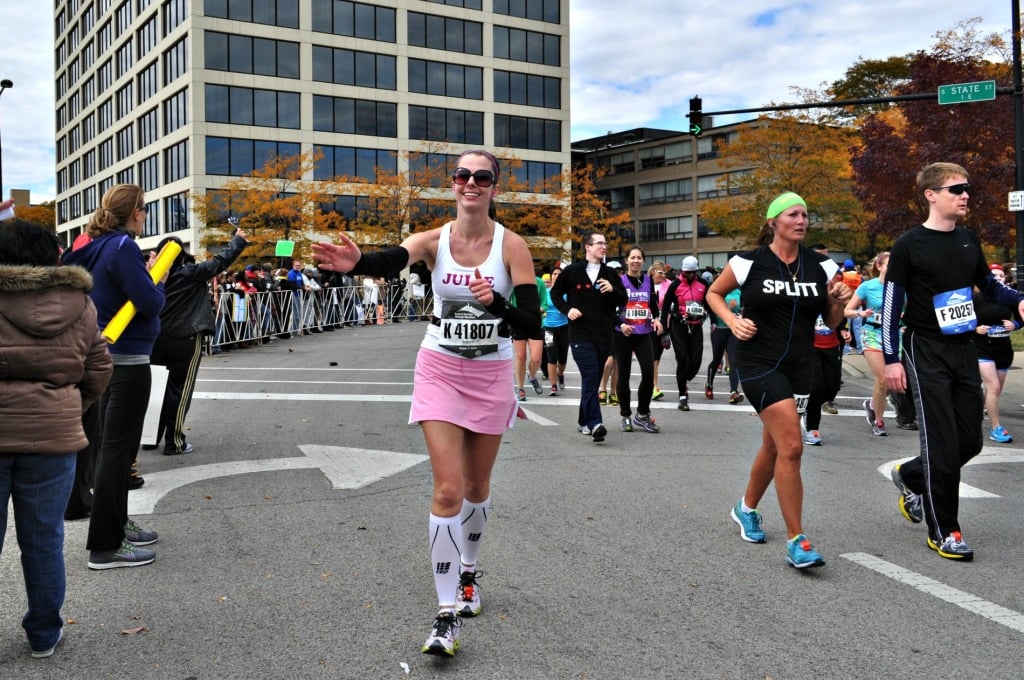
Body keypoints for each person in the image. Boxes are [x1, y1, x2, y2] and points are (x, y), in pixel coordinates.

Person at [312, 149, 541, 657]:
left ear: (494, 187)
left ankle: (468, 575)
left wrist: (495, 303)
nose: (470, 184)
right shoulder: (434, 240)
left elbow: (532, 325)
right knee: (448, 490)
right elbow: (391, 258)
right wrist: (357, 265)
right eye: (462, 176)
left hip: (490, 373)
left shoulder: (513, 247)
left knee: (478, 486)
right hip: (439, 367)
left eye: (482, 177)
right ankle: (444, 616)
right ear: (453, 185)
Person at [883, 162, 1024, 561]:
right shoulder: (910, 244)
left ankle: (911, 475)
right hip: (924, 348)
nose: (965, 195)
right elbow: (892, 304)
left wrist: (1018, 300)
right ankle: (945, 530)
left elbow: (990, 285)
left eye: (966, 189)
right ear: (931, 195)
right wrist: (892, 359)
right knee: (942, 443)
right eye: (956, 189)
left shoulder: (966, 239)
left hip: (963, 347)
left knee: (970, 440)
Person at [707, 192, 850, 569]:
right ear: (773, 222)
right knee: (792, 445)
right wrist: (733, 320)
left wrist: (837, 301)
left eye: (806, 214)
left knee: (773, 445)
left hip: (801, 365)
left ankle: (746, 507)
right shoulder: (747, 262)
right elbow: (714, 293)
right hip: (757, 362)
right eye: (793, 214)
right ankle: (797, 540)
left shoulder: (822, 267)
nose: (802, 220)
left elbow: (833, 323)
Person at [0, 220, 112, 658]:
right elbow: (99, 367)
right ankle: (44, 634)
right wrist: (67, 407)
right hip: (53, 438)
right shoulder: (79, 304)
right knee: (44, 539)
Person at [63, 183, 166, 570]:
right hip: (127, 360)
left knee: (111, 447)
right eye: (145, 209)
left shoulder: (93, 247)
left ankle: (117, 525)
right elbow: (150, 301)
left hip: (105, 356)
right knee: (116, 450)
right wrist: (161, 276)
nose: (146, 215)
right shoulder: (122, 248)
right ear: (136, 211)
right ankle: (106, 545)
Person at [148, 226, 250, 455]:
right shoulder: (190, 273)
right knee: (180, 389)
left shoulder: (151, 277)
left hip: (156, 336)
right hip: (186, 335)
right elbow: (220, 261)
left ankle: (149, 436)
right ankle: (174, 441)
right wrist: (238, 240)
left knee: (157, 388)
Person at [548, 233, 627, 443]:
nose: (604, 246)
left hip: (603, 334)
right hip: (580, 334)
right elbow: (555, 294)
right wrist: (568, 309)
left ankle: (583, 420)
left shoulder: (610, 273)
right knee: (591, 375)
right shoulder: (572, 271)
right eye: (600, 243)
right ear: (587, 247)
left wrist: (612, 290)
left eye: (605, 243)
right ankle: (595, 423)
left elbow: (623, 298)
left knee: (592, 377)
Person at [613, 245, 663, 433]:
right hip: (623, 333)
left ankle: (642, 414)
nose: (635, 261)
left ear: (643, 261)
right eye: (632, 258)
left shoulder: (649, 280)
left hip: (644, 333)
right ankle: (625, 415)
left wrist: (657, 319)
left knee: (648, 374)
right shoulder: (620, 281)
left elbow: (653, 305)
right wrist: (621, 323)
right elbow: (611, 308)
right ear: (626, 261)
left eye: (639, 258)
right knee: (623, 375)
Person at [845, 252, 891, 437]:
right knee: (883, 379)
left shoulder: (903, 287)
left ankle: (872, 404)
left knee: (893, 382)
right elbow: (847, 310)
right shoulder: (867, 286)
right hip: (872, 333)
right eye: (890, 265)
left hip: (895, 335)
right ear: (879, 267)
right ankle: (879, 421)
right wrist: (860, 314)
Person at [802, 244, 843, 446]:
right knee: (816, 386)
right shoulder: (804, 281)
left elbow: (841, 308)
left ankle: (807, 407)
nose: (825, 262)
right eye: (820, 257)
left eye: (827, 258)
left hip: (832, 342)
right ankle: (812, 429)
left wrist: (844, 327)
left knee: (832, 386)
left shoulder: (836, 280)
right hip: (810, 343)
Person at [972, 264, 1018, 443]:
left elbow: (1021, 319)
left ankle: (976, 412)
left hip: (1003, 348)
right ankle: (996, 428)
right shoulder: (976, 298)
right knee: (994, 388)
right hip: (982, 347)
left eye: (1000, 275)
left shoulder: (1010, 298)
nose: (998, 278)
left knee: (994, 390)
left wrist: (1015, 325)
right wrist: (976, 328)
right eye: (994, 275)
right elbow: (964, 323)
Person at [660, 255, 707, 410]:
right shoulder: (675, 284)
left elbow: (710, 303)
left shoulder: (703, 284)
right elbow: (666, 307)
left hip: (696, 325)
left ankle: (684, 378)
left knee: (696, 360)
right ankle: (682, 395)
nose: (691, 275)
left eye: (694, 272)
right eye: (688, 273)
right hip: (678, 325)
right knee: (683, 359)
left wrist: (707, 317)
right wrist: (664, 332)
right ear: (682, 271)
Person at [706, 283, 744, 405]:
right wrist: (728, 307)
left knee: (734, 360)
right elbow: (713, 313)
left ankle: (734, 391)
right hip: (719, 329)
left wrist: (742, 313)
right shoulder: (718, 291)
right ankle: (709, 384)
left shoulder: (739, 292)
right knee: (716, 360)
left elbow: (742, 308)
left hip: (733, 330)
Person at [512, 275, 548, 401]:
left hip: (536, 322)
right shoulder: (514, 281)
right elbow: (507, 300)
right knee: (521, 357)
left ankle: (532, 376)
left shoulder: (539, 282)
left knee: (536, 358)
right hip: (518, 322)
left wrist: (538, 310)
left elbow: (545, 303)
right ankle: (520, 389)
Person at [543, 266, 570, 396]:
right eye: (554, 273)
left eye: (559, 274)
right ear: (551, 276)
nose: (557, 275)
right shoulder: (545, 292)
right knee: (551, 357)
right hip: (548, 328)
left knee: (563, 358)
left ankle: (560, 374)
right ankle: (553, 385)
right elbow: (541, 306)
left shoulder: (566, 293)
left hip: (564, 327)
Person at [649, 262, 672, 401]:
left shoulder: (669, 284)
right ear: (653, 272)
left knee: (656, 358)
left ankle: (653, 386)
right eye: (660, 273)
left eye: (664, 273)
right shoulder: (645, 284)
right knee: (652, 358)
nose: (663, 276)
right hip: (647, 324)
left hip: (663, 325)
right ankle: (653, 386)